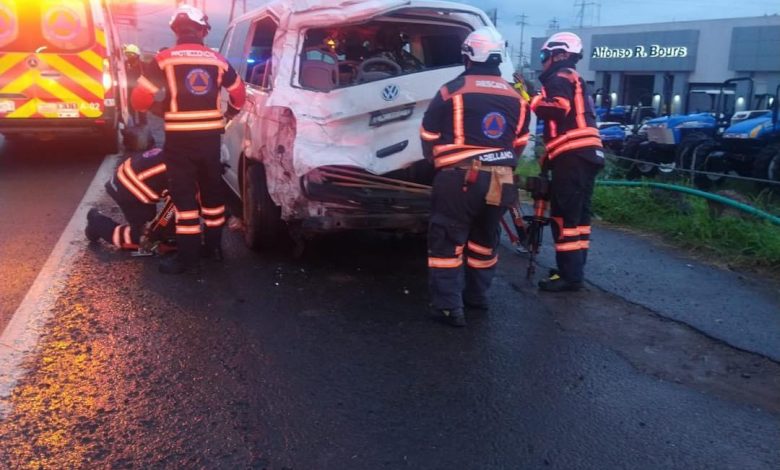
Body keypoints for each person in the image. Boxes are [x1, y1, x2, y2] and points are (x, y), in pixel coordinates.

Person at [419, 28, 530, 327]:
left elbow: (428, 133)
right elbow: (520, 142)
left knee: (447, 240)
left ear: (468, 56)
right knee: (484, 240)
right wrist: (501, 163)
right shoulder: (517, 97)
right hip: (502, 179)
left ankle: (448, 308)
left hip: (460, 178)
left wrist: (436, 162)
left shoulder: (451, 90)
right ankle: (477, 297)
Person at [130, 5, 246, 274]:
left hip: (179, 144)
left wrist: (159, 109)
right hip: (210, 142)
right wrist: (228, 115)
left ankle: (188, 259)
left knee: (185, 202)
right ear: (202, 30)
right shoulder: (218, 60)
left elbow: (139, 99)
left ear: (176, 31)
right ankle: (214, 249)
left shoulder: (163, 59)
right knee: (212, 197)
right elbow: (239, 95)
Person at [530, 32, 605, 292]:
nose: (543, 61)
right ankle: (574, 271)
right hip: (586, 155)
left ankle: (569, 276)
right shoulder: (574, 78)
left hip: (573, 156)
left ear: (559, 54)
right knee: (579, 217)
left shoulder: (560, 77)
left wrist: (531, 98)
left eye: (544, 55)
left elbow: (556, 109)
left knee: (563, 217)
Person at [85, 148, 170, 251]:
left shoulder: (182, 156)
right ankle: (96, 223)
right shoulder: (181, 170)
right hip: (127, 188)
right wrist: (158, 232)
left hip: (134, 180)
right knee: (144, 239)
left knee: (155, 223)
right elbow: (175, 207)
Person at [124, 44, 147, 126]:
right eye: (127, 54)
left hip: (140, 90)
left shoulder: (143, 66)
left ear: (137, 55)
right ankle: (132, 123)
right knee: (130, 107)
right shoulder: (124, 65)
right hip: (128, 89)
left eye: (131, 54)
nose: (129, 56)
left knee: (141, 107)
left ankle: (143, 123)